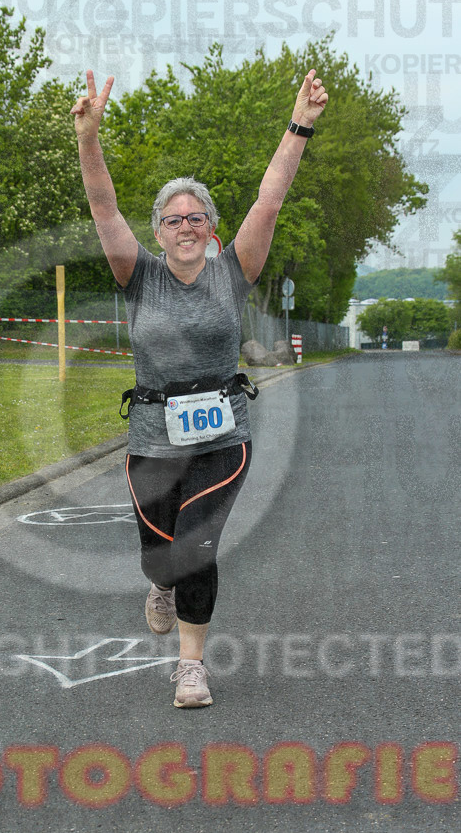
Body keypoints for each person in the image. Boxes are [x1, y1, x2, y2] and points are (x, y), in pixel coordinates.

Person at [71, 68, 328, 707]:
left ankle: (191, 667)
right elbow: (103, 206)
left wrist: (300, 125)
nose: (185, 226)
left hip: (222, 435)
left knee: (196, 545)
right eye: (173, 218)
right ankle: (160, 582)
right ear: (158, 231)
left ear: (211, 228)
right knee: (160, 553)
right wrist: (88, 138)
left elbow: (268, 201)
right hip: (151, 440)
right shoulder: (138, 275)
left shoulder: (233, 272)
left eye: (196, 217)